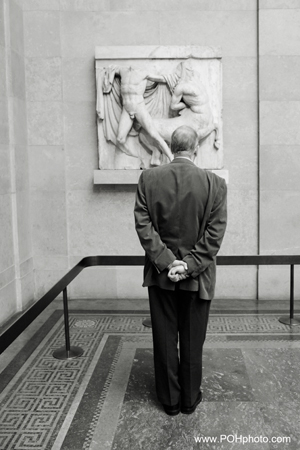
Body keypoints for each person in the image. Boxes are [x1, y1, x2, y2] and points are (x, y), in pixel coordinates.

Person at [134, 125, 227, 416]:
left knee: (164, 340)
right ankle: (189, 400)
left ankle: (170, 402)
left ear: (171, 148)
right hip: (198, 279)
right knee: (192, 341)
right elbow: (214, 235)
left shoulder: (148, 179)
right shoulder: (215, 184)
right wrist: (188, 265)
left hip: (161, 276)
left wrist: (166, 262)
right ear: (196, 148)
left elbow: (143, 225)